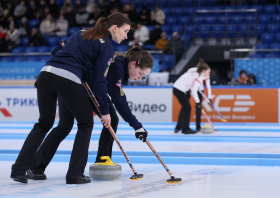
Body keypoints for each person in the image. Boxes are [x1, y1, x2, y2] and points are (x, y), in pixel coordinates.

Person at [10, 12, 131, 185]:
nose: (126, 36)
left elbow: (57, 50)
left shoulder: (81, 33)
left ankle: (19, 170)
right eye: (125, 31)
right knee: (86, 123)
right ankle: (75, 175)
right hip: (67, 78)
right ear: (114, 28)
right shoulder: (108, 46)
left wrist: (45, 75)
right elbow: (99, 80)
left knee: (43, 124)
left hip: (46, 73)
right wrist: (105, 110)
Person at [27, 47, 153, 181]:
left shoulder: (119, 66)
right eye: (141, 73)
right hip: (81, 88)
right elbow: (119, 100)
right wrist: (137, 126)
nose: (139, 78)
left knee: (66, 126)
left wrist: (136, 125)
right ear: (133, 63)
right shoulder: (117, 66)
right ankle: (101, 161)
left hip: (77, 86)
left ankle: (36, 167)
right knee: (72, 125)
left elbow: (114, 93)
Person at [173, 58, 212, 134]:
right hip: (179, 89)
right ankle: (185, 129)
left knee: (186, 107)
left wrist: (208, 97)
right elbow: (194, 90)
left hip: (180, 88)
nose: (209, 74)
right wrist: (198, 103)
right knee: (187, 107)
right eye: (208, 72)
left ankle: (184, 128)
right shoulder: (199, 76)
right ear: (203, 71)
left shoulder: (196, 72)